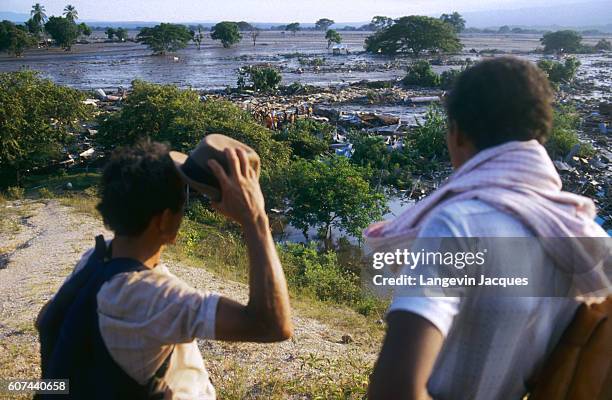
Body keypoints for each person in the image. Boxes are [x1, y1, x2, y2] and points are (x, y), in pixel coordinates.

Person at [367, 57, 609, 399]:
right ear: (539, 134)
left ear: (457, 133)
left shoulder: (458, 225)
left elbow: (395, 391)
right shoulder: (583, 237)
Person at [36, 140, 293, 399]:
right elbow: (271, 325)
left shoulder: (94, 257)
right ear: (164, 220)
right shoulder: (153, 298)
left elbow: (47, 320)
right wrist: (256, 219)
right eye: (182, 205)